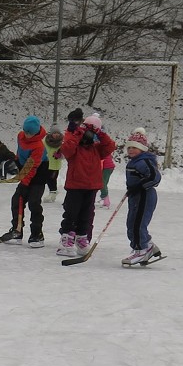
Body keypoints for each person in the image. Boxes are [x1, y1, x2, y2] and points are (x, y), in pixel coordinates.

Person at [55, 110, 116, 257]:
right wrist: (77, 133)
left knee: (86, 216)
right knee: (71, 214)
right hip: (75, 186)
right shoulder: (74, 147)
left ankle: (81, 239)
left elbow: (110, 146)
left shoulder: (96, 149)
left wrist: (99, 133)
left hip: (92, 187)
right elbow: (66, 149)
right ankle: (66, 241)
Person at [0, 116, 49, 247]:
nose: (27, 135)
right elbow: (20, 154)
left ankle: (37, 234)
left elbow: (32, 166)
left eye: (30, 133)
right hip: (26, 170)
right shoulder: (20, 136)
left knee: (34, 202)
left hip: (39, 174)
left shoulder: (38, 146)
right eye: (26, 131)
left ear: (36, 132)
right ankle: (17, 230)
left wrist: (23, 181)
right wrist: (14, 159)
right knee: (17, 199)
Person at [122, 127, 163, 266]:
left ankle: (141, 250)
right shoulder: (133, 162)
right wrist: (131, 188)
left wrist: (139, 186)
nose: (131, 150)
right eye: (129, 148)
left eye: (135, 147)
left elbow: (155, 177)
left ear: (142, 149)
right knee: (131, 223)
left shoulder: (144, 161)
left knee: (138, 223)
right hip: (135, 197)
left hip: (145, 196)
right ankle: (148, 245)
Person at [43, 126, 64, 203]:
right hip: (46, 163)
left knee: (52, 179)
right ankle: (53, 192)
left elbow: (65, 153)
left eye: (58, 133)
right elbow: (40, 148)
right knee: (47, 179)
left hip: (55, 165)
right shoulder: (45, 141)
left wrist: (60, 155)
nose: (56, 135)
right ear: (51, 133)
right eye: (54, 133)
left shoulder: (62, 142)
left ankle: (53, 192)